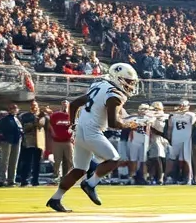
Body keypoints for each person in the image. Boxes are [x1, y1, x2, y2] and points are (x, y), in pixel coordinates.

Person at [47, 62, 139, 212]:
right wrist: (129, 125)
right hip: (92, 131)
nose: (131, 85)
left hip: (81, 131)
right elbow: (113, 123)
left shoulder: (99, 86)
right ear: (118, 79)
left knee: (79, 170)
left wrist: (73, 124)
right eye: (129, 82)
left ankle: (56, 199)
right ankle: (90, 184)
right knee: (114, 159)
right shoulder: (115, 94)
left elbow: (75, 104)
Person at [167, 101, 195, 185]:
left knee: (187, 159)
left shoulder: (190, 115)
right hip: (176, 138)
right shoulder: (174, 116)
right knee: (172, 158)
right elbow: (170, 128)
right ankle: (170, 177)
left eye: (184, 105)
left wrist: (183, 113)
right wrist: (169, 137)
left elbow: (193, 121)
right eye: (181, 105)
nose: (182, 107)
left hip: (186, 138)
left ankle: (189, 178)